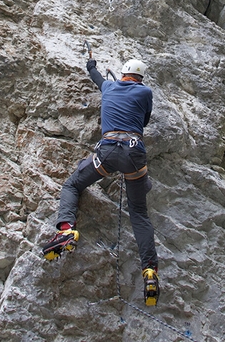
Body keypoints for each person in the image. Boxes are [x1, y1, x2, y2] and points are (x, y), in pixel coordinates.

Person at [42, 58, 160, 306]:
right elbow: (145, 120)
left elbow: (96, 77)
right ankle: (150, 271)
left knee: (73, 185)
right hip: (134, 153)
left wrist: (91, 66)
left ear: (124, 73)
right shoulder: (146, 92)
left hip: (107, 152)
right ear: (140, 78)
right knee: (138, 212)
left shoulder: (108, 87)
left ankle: (66, 230)